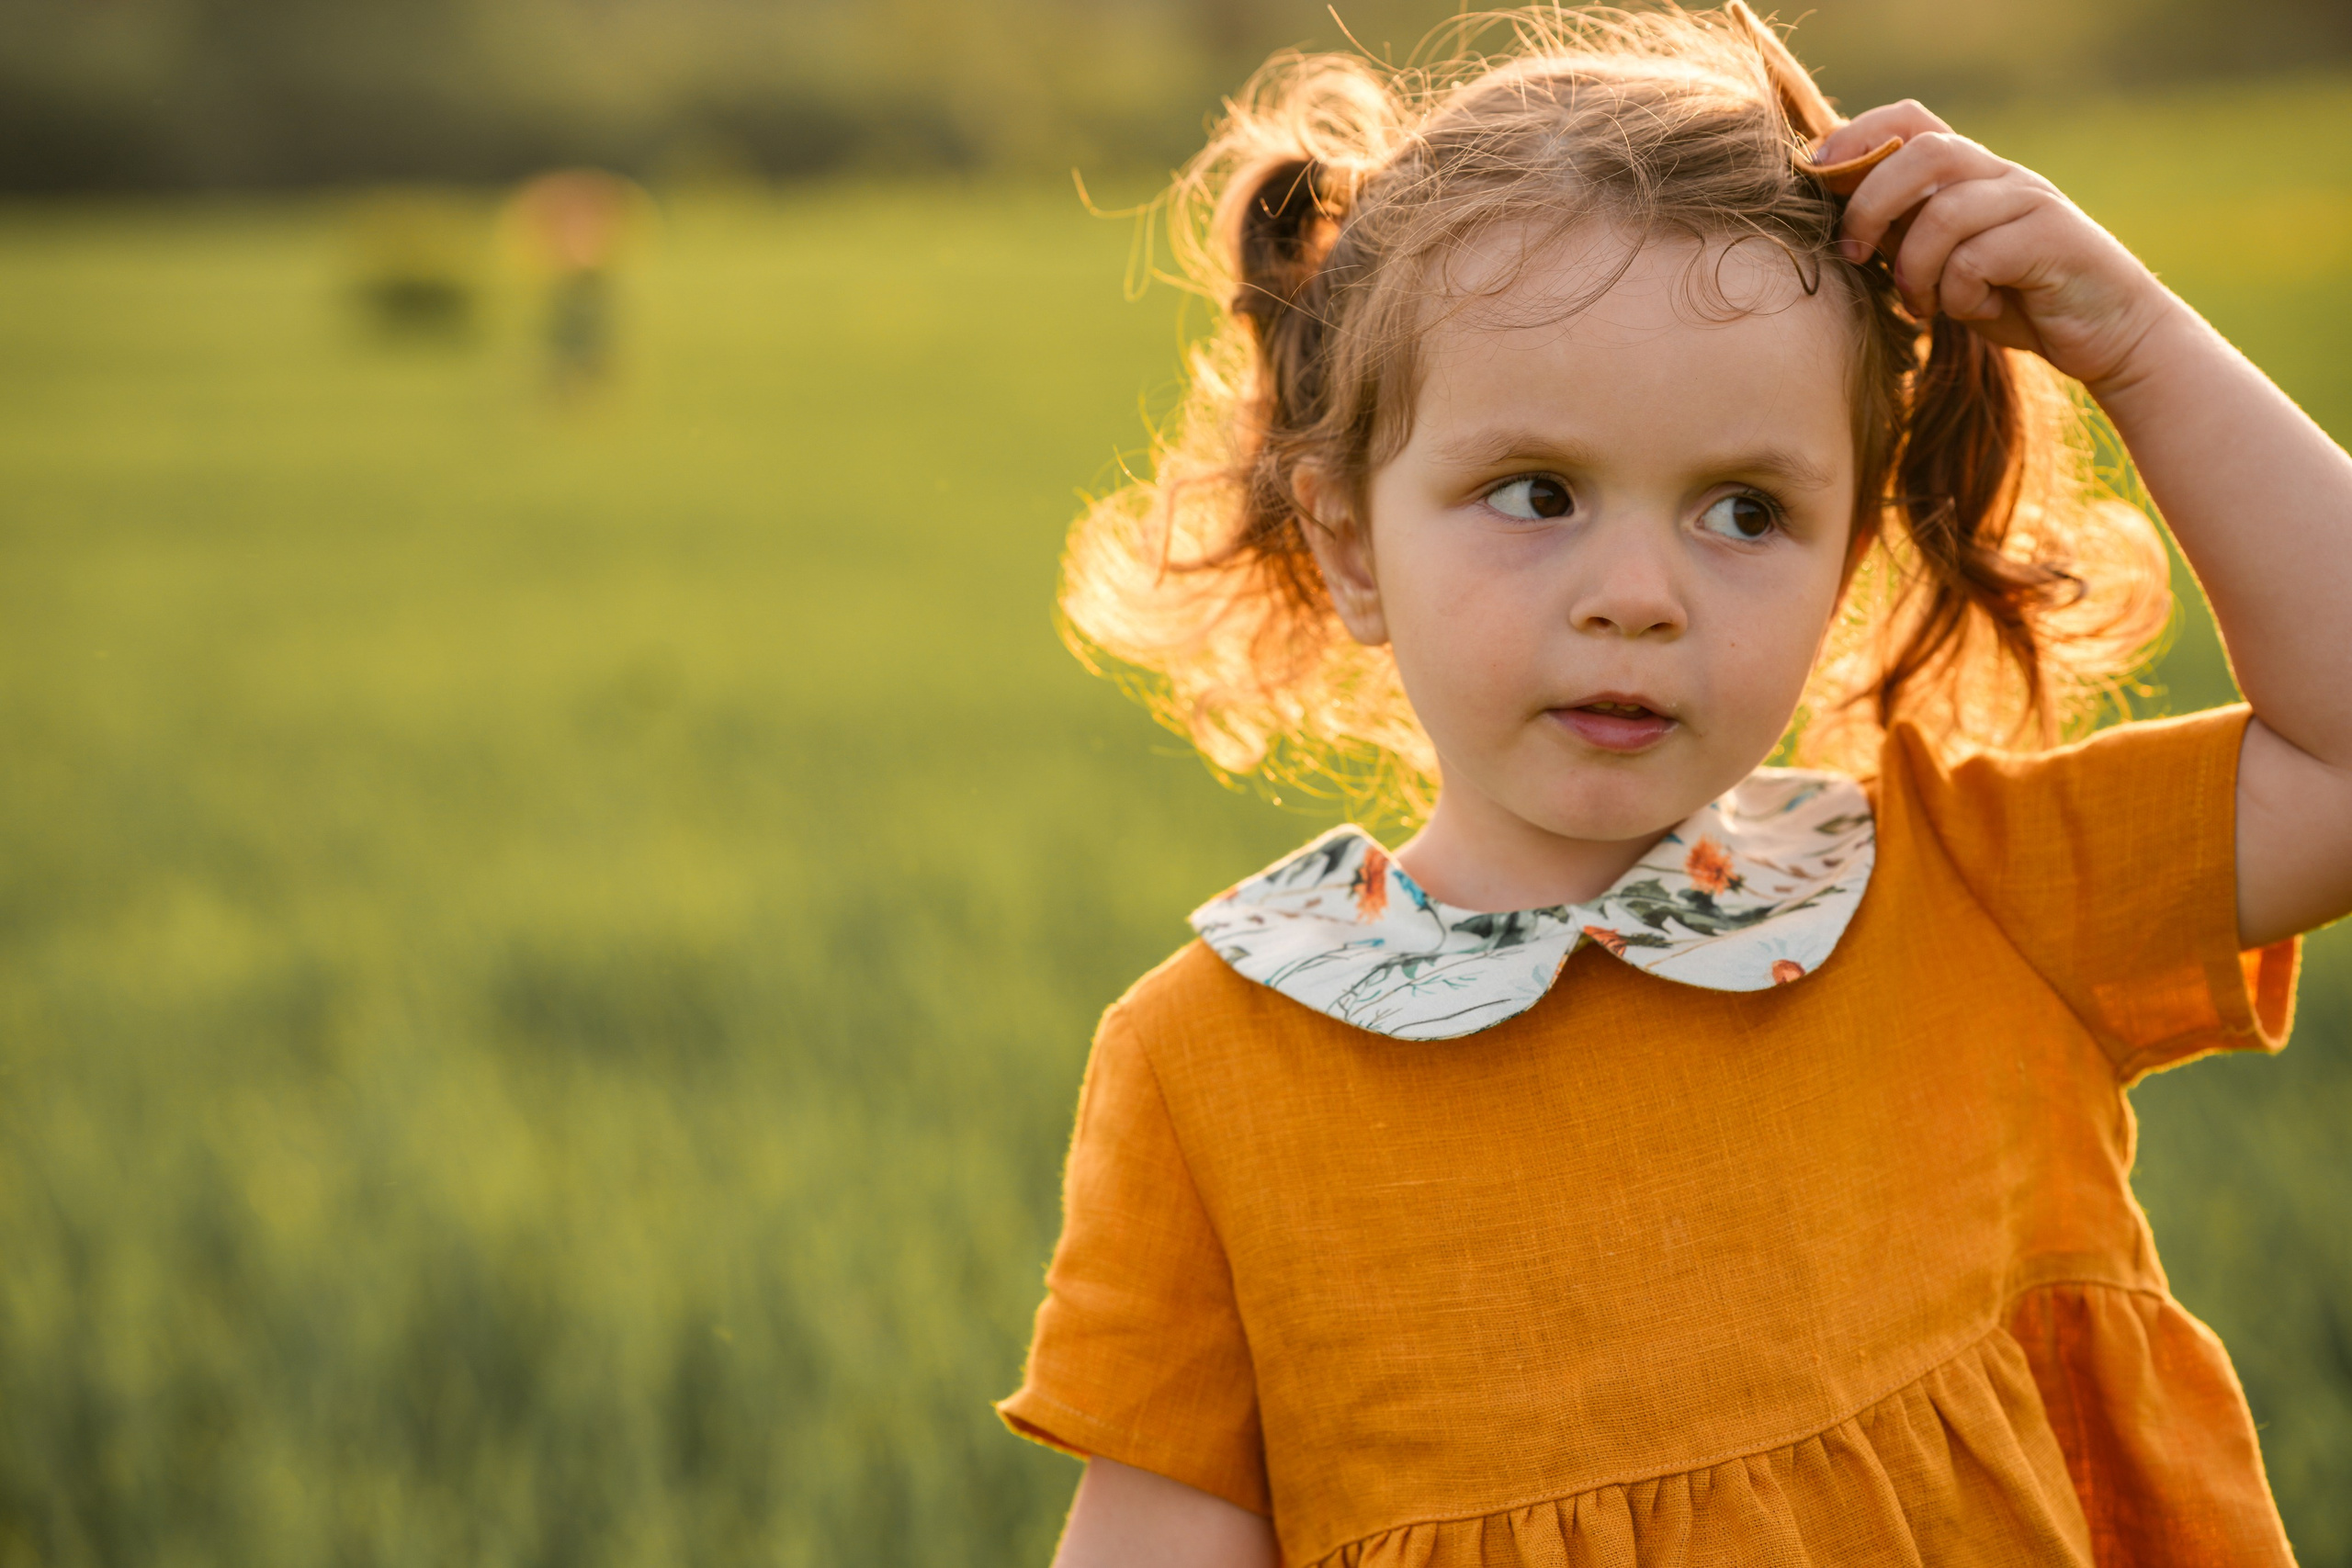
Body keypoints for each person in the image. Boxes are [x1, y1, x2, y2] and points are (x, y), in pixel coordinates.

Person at [999, 5, 2351, 1562]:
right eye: (1537, 493)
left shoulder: (1972, 892)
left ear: (1845, 560)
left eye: (1744, 510)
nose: (1638, 591)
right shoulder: (1210, 1069)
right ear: (1351, 542)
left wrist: (2135, 339)